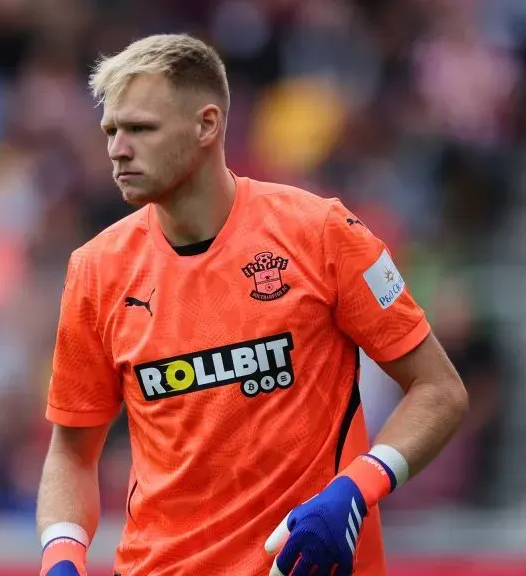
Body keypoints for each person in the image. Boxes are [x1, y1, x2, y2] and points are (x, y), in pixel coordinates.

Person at [36, 34, 468, 576]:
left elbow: (440, 390)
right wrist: (61, 556)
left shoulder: (323, 234)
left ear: (207, 125)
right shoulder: (95, 269)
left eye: (140, 129)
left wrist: (356, 490)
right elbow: (72, 453)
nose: (117, 149)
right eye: (111, 131)